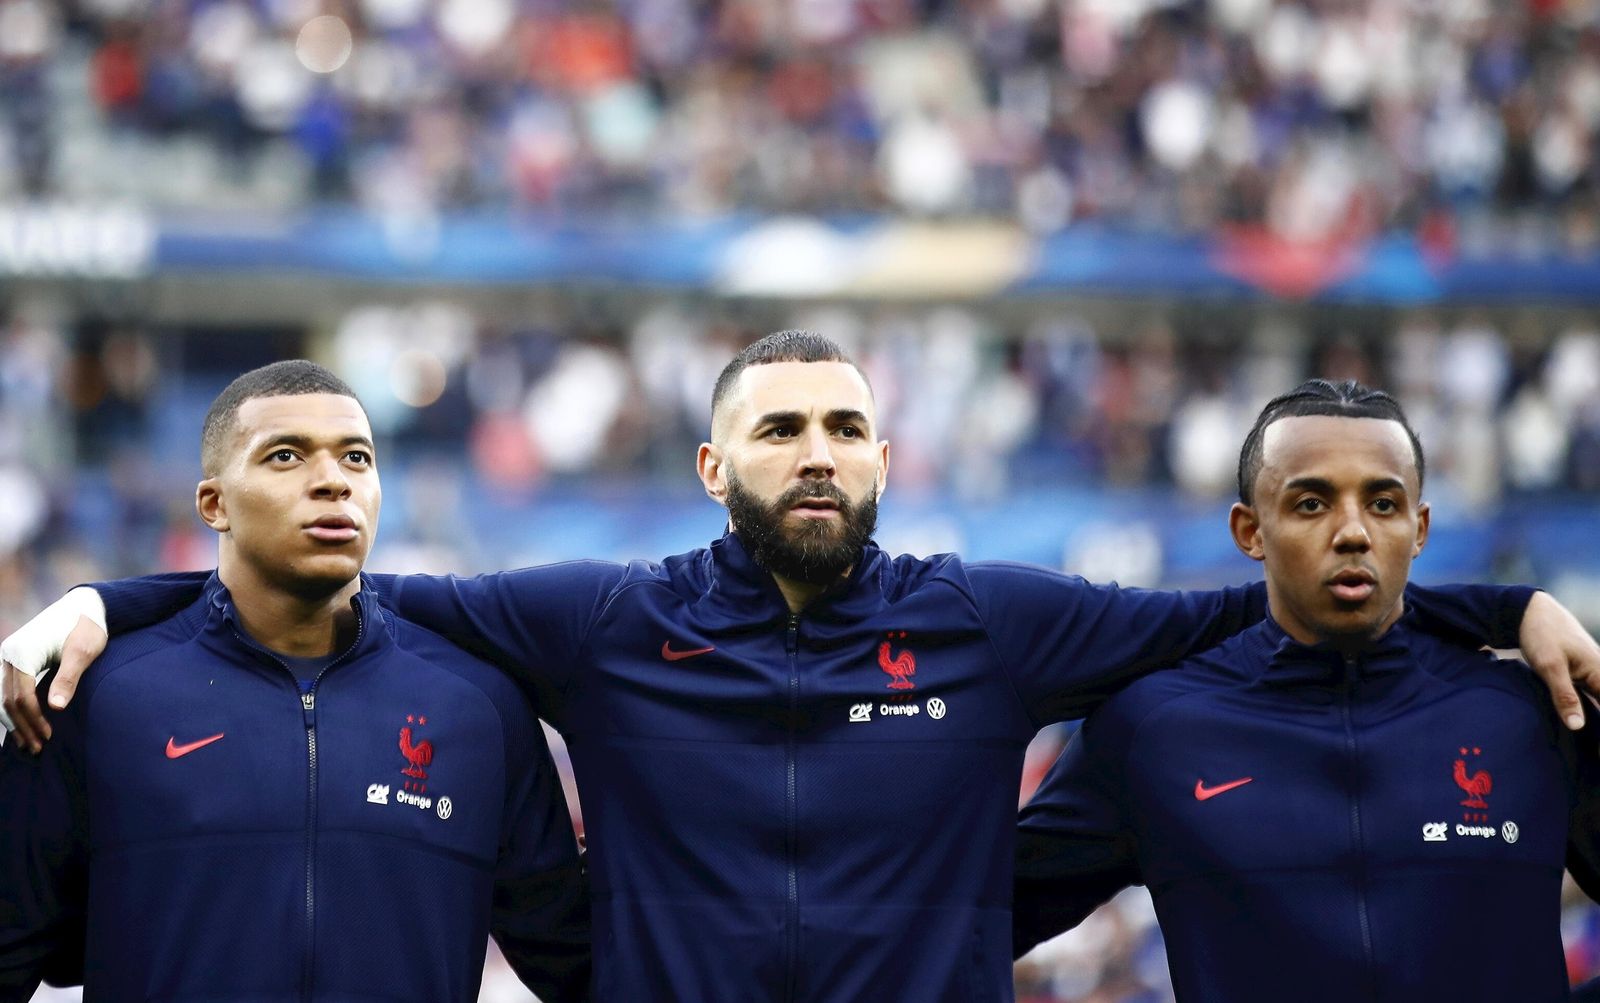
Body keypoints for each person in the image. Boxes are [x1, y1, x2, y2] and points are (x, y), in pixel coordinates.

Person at [4, 334, 1596, 1002]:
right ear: (715, 465)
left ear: (888, 456)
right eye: (780, 427)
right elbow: (331, 580)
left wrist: (1501, 602)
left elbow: (1275, 597)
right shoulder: (599, 619)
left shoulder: (995, 619)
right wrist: (109, 603)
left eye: (845, 425)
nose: (816, 450)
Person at [0, 362, 588, 1002]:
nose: (334, 480)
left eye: (357, 458)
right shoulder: (99, 695)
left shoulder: (479, 709)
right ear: (214, 504)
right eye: (286, 456)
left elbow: (582, 967)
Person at [1010, 379, 1600, 1001]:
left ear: (1420, 528)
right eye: (1312, 504)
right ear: (1250, 531)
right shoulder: (1153, 731)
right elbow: (969, 923)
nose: (1353, 532)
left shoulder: (1532, 715)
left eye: (1383, 504)